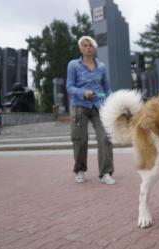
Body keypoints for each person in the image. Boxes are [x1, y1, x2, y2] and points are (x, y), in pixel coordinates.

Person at [66, 36, 115, 185]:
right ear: (81, 48)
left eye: (90, 45)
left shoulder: (101, 67)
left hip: (99, 106)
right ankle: (80, 171)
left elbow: (107, 88)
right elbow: (69, 87)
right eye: (85, 45)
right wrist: (83, 92)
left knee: (105, 138)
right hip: (79, 106)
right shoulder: (73, 65)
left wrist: (113, 100)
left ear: (94, 48)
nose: (88, 48)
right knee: (80, 139)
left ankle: (106, 173)